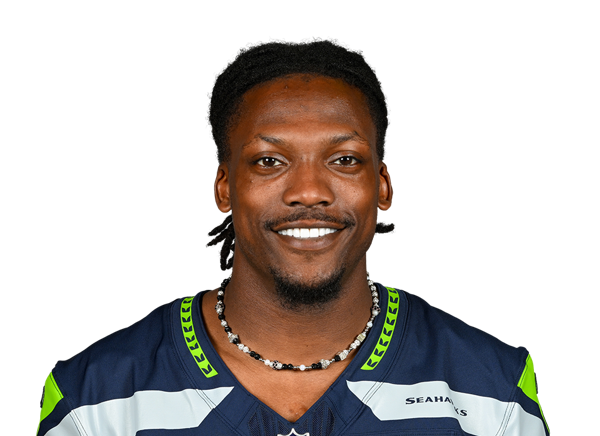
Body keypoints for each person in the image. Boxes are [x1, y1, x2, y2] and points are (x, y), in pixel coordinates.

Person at [36, 38, 550, 436]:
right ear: (224, 187)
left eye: (344, 159)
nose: (309, 191)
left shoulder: (494, 390)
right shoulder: (93, 398)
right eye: (269, 161)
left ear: (383, 185)